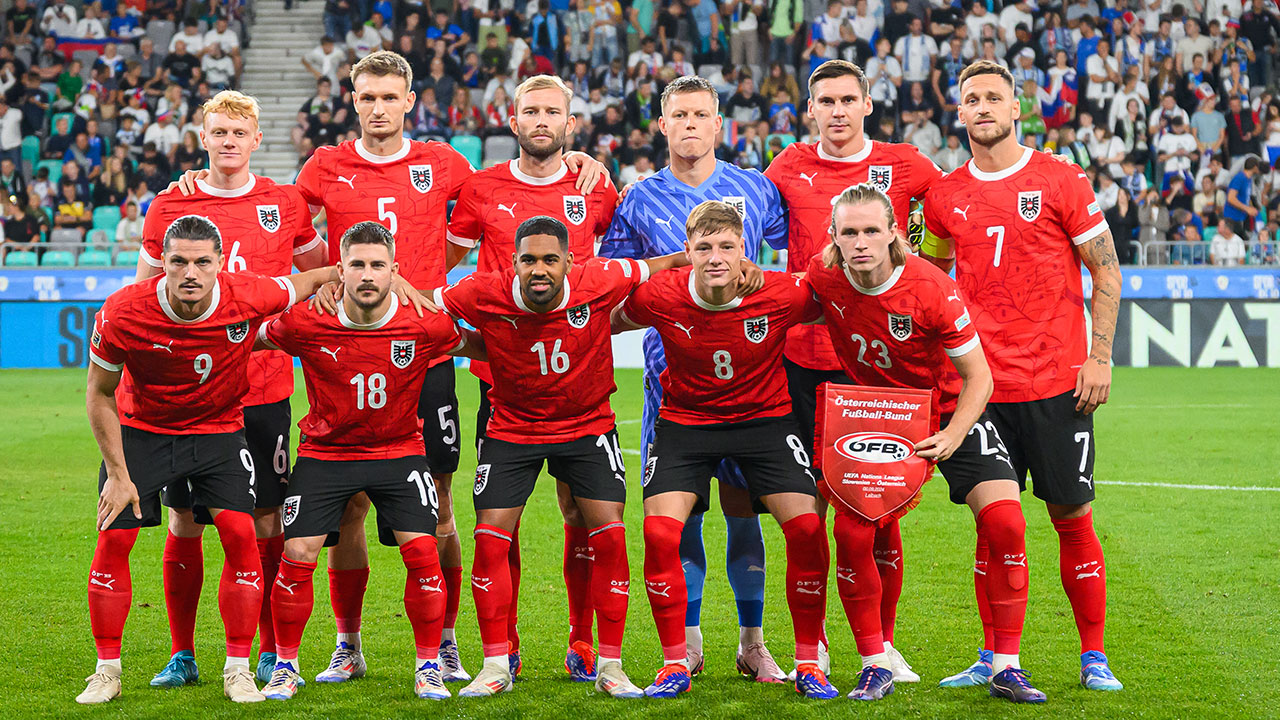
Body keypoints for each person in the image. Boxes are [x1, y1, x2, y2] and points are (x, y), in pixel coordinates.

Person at [920, 60, 1124, 697]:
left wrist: (1100, 356)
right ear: (959, 113)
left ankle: (1093, 654)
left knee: (1072, 517)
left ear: (1016, 109)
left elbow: (1107, 270)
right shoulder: (944, 197)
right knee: (998, 522)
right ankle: (995, 654)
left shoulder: (1061, 179)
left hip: (1058, 382)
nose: (982, 107)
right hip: (979, 389)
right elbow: (931, 282)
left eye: (994, 98)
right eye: (971, 98)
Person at [78, 215, 338, 705]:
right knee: (114, 535)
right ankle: (106, 669)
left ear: (221, 263)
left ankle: (238, 669)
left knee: (242, 535)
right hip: (143, 431)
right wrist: (116, 473)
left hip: (218, 432)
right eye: (178, 261)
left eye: (202, 261)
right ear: (162, 266)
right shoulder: (122, 312)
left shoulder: (249, 294)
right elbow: (99, 394)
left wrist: (337, 278)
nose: (190, 272)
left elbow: (316, 277)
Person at [436, 216, 688, 698]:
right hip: (513, 428)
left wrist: (690, 258)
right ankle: (494, 666)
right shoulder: (478, 290)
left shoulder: (600, 278)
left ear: (570, 262)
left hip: (587, 427)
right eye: (528, 259)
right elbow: (427, 307)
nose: (539, 269)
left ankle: (610, 666)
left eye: (550, 259)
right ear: (512, 262)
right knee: (490, 541)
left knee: (611, 537)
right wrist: (474, 344)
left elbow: (655, 267)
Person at [136, 91, 335, 688]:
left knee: (266, 518)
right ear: (204, 137)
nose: (227, 142)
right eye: (217, 132)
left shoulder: (285, 201)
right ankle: (183, 653)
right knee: (184, 521)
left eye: (237, 133)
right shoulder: (173, 202)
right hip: (190, 397)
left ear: (256, 139)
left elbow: (317, 279)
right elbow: (146, 294)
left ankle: (273, 649)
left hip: (263, 387)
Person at [600, 74, 791, 682]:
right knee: (678, 518)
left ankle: (753, 641)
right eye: (677, 114)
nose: (689, 124)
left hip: (750, 386)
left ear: (718, 123)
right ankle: (685, 642)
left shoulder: (756, 190)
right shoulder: (637, 199)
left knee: (742, 513)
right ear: (662, 125)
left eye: (700, 114)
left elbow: (799, 251)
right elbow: (614, 279)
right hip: (670, 388)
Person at [763, 59, 945, 683]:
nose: (837, 111)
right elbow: (739, 225)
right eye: (825, 101)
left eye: (848, 99)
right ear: (809, 110)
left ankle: (882, 643)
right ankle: (811, 649)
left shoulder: (908, 164)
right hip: (799, 365)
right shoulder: (785, 167)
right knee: (808, 516)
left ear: (868, 104)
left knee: (877, 513)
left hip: (874, 376)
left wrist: (924, 261)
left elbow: (953, 217)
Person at [612, 201, 834, 699]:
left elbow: (843, 300)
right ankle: (675, 663)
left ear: (746, 251)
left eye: (727, 247)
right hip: (686, 424)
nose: (716, 257)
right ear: (687, 251)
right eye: (705, 247)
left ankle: (808, 662)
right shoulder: (660, 294)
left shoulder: (780, 292)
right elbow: (602, 319)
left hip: (765, 422)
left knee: (806, 526)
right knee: (659, 531)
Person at [256, 222, 485, 701]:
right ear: (339, 271)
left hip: (399, 453)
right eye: (357, 264)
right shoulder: (305, 322)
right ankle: (289, 665)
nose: (366, 275)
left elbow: (480, 346)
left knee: (423, 552)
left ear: (395, 272)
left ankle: (428, 665)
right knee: (296, 556)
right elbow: (245, 337)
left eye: (377, 265)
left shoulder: (425, 323)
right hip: (325, 454)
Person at [807, 190, 1021, 700]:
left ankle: (1006, 666)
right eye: (849, 232)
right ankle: (875, 660)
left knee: (1007, 521)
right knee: (856, 536)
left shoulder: (931, 286)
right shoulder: (824, 275)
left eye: (871, 231)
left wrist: (951, 435)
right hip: (876, 414)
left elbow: (979, 378)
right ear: (834, 237)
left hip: (947, 413)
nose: (861, 243)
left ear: (894, 234)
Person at [445, 74, 620, 683]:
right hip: (504, 379)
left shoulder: (596, 187)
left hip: (577, 381)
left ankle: (581, 640)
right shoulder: (480, 187)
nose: (541, 120)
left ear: (571, 124)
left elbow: (616, 272)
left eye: (553, 111)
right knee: (502, 516)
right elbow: (440, 268)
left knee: (581, 512)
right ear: (512, 120)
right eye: (530, 111)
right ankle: (506, 647)